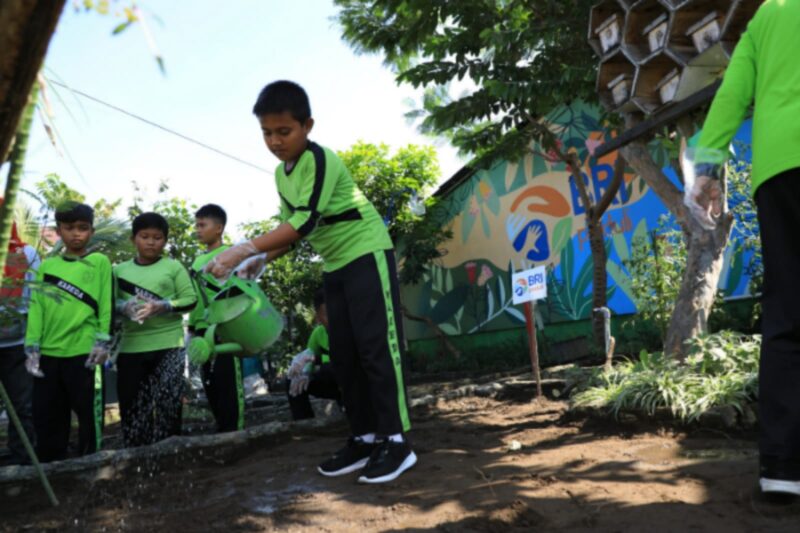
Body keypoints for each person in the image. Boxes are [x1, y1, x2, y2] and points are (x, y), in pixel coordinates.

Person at [206, 80, 415, 484]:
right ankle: (365, 436)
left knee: (377, 349)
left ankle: (396, 440)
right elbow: (293, 229)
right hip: (335, 263)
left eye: (284, 131)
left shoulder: (320, 159)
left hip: (367, 252)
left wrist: (242, 250)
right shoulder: (281, 175)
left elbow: (306, 221)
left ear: (308, 126)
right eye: (267, 133)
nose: (275, 141)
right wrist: (261, 260)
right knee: (345, 354)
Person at [685, 0, 800, 496]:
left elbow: (733, 91)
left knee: (787, 317)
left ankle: (782, 470)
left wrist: (708, 165)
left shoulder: (771, 13)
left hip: (780, 173)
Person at [24, 202, 112, 462]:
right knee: (48, 417)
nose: (76, 234)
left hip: (84, 353)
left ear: (91, 231)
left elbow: (105, 303)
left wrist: (102, 341)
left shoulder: (99, 262)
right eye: (69, 228)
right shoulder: (47, 267)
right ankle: (54, 470)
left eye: (83, 228)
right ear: (59, 231)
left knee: (89, 417)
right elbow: (37, 306)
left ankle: (91, 467)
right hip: (49, 355)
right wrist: (32, 345)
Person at [115, 212, 197, 447]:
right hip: (130, 347)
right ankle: (135, 455)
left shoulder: (173, 267)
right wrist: (123, 307)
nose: (151, 242)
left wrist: (163, 306)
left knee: (168, 404)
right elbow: (107, 305)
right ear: (133, 240)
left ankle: (171, 451)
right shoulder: (118, 271)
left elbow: (190, 300)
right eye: (145, 236)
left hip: (168, 345)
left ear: (165, 241)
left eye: (158, 237)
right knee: (132, 405)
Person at [189, 204, 246, 432]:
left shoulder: (232, 255)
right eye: (196, 225)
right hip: (203, 332)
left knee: (229, 384)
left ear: (219, 228)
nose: (197, 229)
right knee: (210, 383)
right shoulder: (195, 262)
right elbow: (193, 298)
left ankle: (235, 434)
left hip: (225, 330)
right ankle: (222, 431)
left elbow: (243, 291)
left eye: (202, 225)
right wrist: (192, 329)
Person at [0, 202, 41, 465]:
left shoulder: (26, 253)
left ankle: (23, 459)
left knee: (22, 406)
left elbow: (36, 298)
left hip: (17, 343)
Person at [286, 288, 341, 421]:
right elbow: (308, 359)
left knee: (329, 369)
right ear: (318, 318)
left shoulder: (350, 330)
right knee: (292, 379)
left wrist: (317, 359)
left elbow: (345, 360)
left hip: (355, 382)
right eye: (328, 314)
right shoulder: (318, 334)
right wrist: (303, 372)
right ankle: (304, 423)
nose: (334, 318)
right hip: (333, 384)